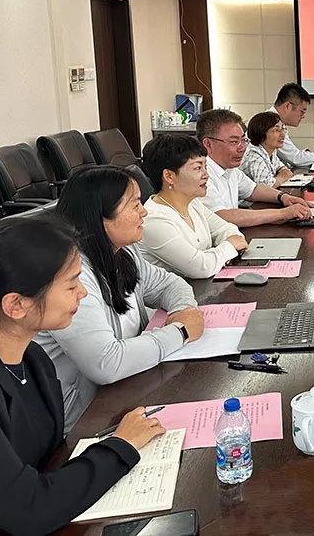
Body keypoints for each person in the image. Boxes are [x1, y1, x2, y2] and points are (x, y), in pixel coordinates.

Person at [0, 217, 165, 535]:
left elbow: (48, 463)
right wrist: (120, 446)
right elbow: (28, 508)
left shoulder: (33, 358)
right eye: (71, 285)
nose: (83, 293)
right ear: (16, 305)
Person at [35, 166, 205, 434]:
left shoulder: (123, 251)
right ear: (101, 216)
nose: (144, 212)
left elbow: (169, 284)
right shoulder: (70, 276)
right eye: (134, 204)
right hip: (83, 420)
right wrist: (180, 332)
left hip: (130, 387)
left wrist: (183, 311)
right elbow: (106, 363)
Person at [139, 134, 249, 279]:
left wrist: (222, 250)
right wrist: (229, 246)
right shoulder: (154, 221)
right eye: (198, 168)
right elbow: (201, 268)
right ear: (169, 176)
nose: (206, 175)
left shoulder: (193, 203)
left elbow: (227, 229)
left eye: (205, 166)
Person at [197, 108, 313, 228]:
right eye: (234, 142)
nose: (242, 148)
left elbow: (254, 190)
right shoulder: (200, 174)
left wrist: (283, 197)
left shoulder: (230, 169)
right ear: (208, 144)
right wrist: (282, 214)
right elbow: (221, 216)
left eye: (243, 140)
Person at [241, 111, 293, 186]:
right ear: (261, 133)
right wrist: (281, 177)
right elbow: (265, 186)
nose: (283, 134)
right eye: (277, 130)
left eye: (282, 129)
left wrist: (283, 173)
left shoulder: (270, 151)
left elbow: (281, 167)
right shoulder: (254, 155)